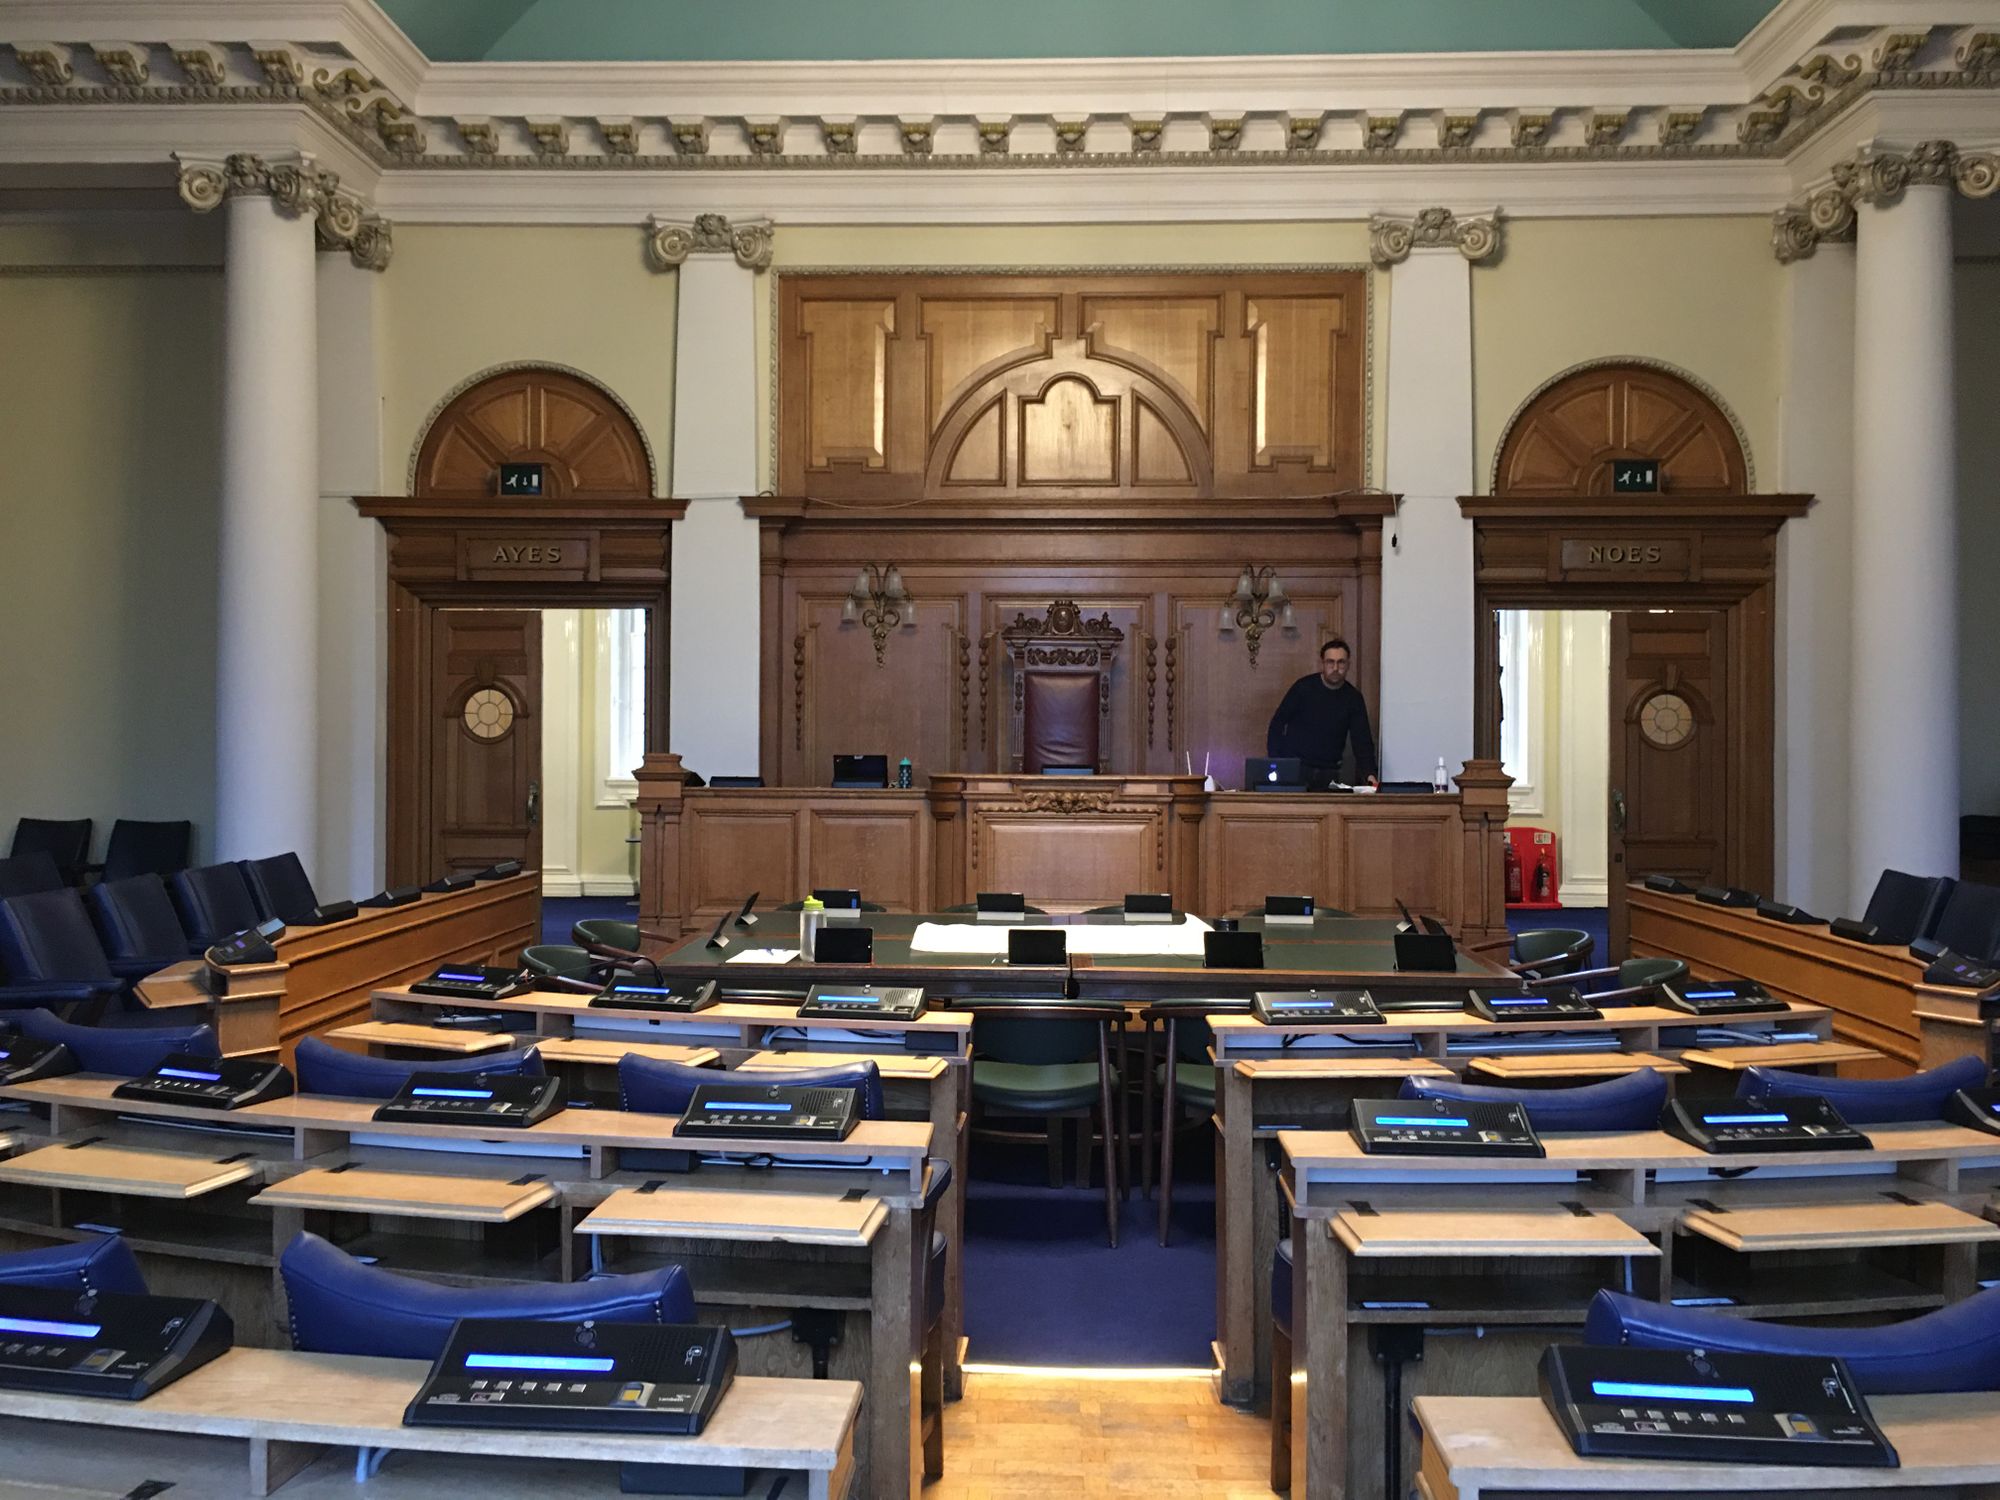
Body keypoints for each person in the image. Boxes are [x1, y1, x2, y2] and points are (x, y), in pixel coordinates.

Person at [1266, 638, 1378, 787]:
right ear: (1322, 664)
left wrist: (1369, 773)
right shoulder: (1303, 688)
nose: (1335, 668)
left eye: (1341, 662)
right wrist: (1277, 762)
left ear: (1348, 665)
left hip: (1329, 771)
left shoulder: (1353, 698)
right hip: (1296, 769)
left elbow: (1362, 741)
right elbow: (1277, 724)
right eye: (1330, 662)